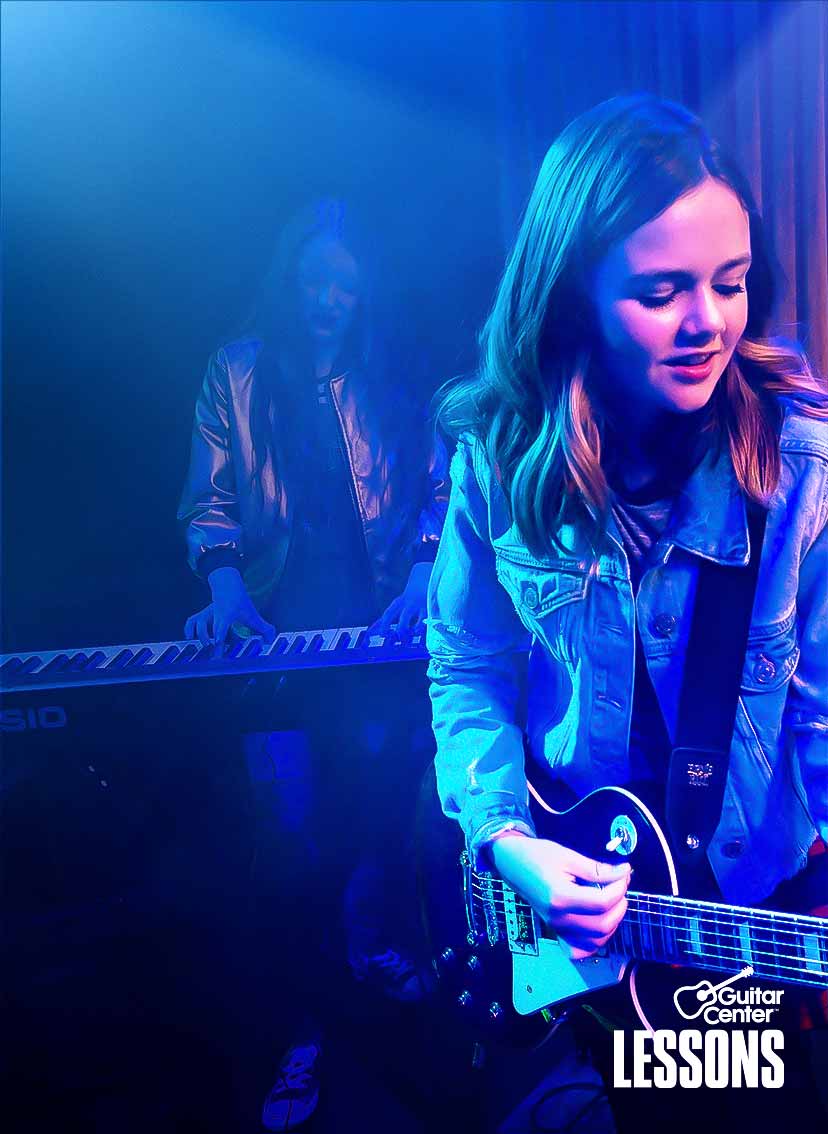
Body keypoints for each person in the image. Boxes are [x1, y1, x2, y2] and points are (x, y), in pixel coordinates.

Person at [426, 94, 827, 1132]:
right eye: (662, 290)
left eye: (731, 284)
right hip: (567, 912)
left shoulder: (801, 475)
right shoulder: (498, 454)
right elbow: (466, 668)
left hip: (745, 925)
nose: (710, 323)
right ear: (574, 299)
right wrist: (508, 840)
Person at [178, 198, 447, 1129]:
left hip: (379, 641)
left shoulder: (394, 375)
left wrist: (421, 574)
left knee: (379, 818)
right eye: (313, 282)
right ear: (289, 283)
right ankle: (301, 1027)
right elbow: (208, 501)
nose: (328, 300)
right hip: (281, 642)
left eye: (344, 285)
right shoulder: (238, 370)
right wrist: (223, 589)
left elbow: (442, 488)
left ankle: (365, 961)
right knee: (287, 847)